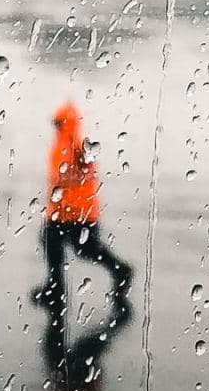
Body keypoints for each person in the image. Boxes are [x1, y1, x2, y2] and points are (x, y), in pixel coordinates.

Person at [33, 101, 134, 320]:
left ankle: (119, 270)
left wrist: (66, 181)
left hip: (77, 212)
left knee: (85, 249)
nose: (56, 125)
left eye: (60, 122)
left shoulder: (77, 146)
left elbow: (81, 172)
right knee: (53, 243)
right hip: (62, 211)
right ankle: (56, 288)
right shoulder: (62, 144)